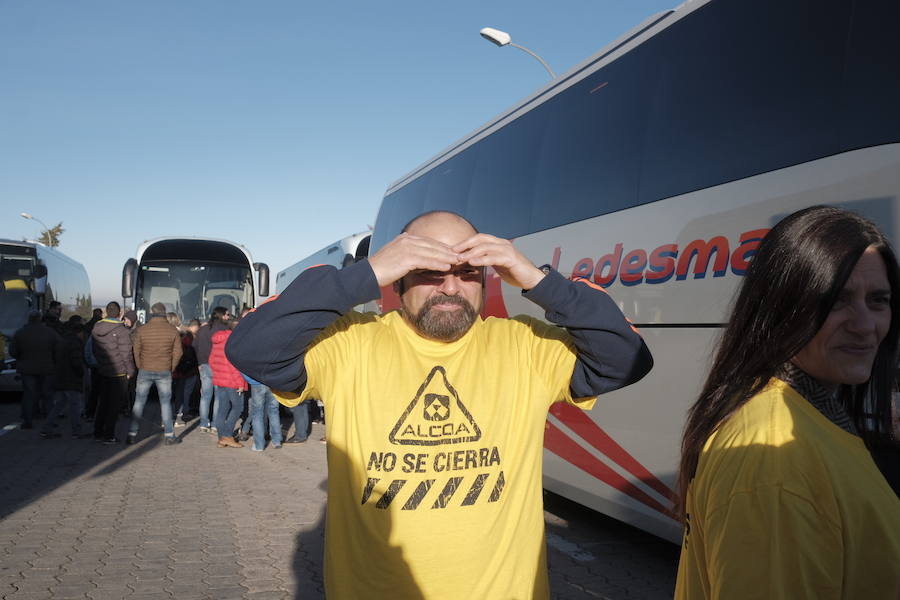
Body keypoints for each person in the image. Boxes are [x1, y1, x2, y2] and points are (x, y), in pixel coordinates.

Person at [227, 210, 653, 599]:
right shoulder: (349, 343)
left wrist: (534, 278)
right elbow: (253, 349)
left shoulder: (524, 346)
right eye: (429, 272)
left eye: (468, 273)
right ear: (398, 280)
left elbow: (625, 359)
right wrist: (366, 272)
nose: (451, 287)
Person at [674, 206, 900, 600]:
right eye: (836, 301)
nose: (866, 326)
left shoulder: (810, 411)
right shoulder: (774, 461)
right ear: (781, 307)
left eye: (878, 300)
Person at [127, 302, 183, 446]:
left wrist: (140, 366)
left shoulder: (142, 330)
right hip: (164, 370)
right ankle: (169, 435)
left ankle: (132, 434)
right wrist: (171, 367)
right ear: (164, 313)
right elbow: (178, 352)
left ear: (151, 312)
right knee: (165, 403)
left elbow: (136, 351)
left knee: (139, 402)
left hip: (145, 369)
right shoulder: (172, 331)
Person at [91, 301, 135, 444]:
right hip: (119, 373)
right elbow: (126, 354)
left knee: (103, 403)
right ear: (119, 313)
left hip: (103, 370)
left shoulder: (96, 327)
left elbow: (95, 350)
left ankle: (98, 432)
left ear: (106, 312)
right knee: (114, 406)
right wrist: (130, 371)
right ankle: (109, 435)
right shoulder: (122, 331)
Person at [11, 310, 59, 428]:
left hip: (26, 369)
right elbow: (59, 348)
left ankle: (27, 421)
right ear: (40, 319)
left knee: (29, 395)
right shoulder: (50, 332)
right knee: (48, 395)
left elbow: (13, 351)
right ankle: (50, 421)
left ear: (29, 319)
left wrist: (21, 358)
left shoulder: (20, 333)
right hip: (47, 368)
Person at [40, 320, 88, 438]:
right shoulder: (75, 343)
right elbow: (76, 362)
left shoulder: (61, 341)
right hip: (71, 379)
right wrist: (81, 373)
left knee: (60, 404)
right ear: (79, 332)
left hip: (60, 377)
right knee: (74, 405)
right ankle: (76, 431)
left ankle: (46, 428)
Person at [210, 315, 246, 448]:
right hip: (232, 381)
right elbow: (235, 365)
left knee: (222, 410)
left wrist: (217, 374)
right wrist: (241, 383)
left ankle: (221, 438)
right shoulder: (235, 341)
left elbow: (212, 360)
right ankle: (227, 435)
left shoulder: (218, 340)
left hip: (220, 379)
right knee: (237, 407)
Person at [194, 307, 229, 433]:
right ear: (222, 316)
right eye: (227, 315)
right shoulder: (225, 330)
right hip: (219, 366)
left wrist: (199, 362)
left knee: (205, 396)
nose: (228, 317)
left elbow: (195, 346)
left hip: (204, 365)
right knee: (219, 397)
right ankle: (215, 424)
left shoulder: (203, 329)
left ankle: (204, 423)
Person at [172, 330, 198, 425]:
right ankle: (180, 415)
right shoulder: (189, 346)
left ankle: (173, 416)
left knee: (175, 395)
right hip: (186, 373)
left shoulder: (175, 344)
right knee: (183, 395)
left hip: (176, 373)